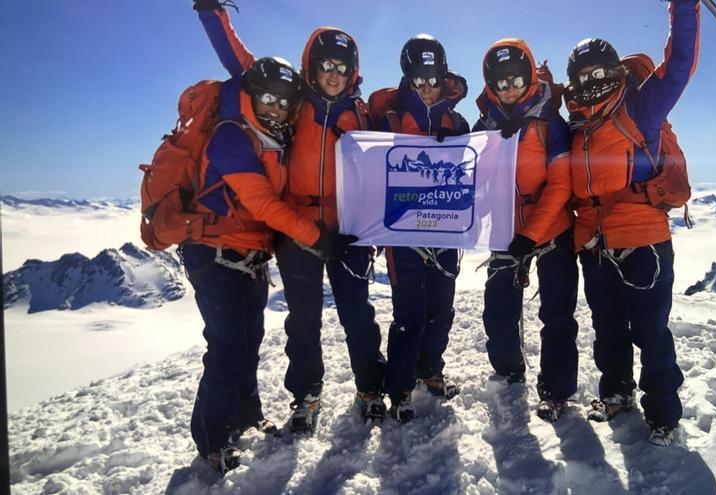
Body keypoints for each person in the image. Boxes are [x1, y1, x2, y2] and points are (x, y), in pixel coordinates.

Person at [193, 1, 387, 430]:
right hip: (297, 229)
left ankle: (371, 388)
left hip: (349, 230)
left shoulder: (362, 114)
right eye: (325, 65)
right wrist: (212, 14)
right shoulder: (293, 103)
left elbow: (395, 160)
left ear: (353, 71)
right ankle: (306, 396)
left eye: (342, 66)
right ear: (311, 68)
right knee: (304, 319)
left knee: (357, 313)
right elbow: (244, 67)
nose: (333, 74)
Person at [565, 0, 700, 446]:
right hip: (596, 244)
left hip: (644, 242)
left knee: (650, 330)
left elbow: (679, 64)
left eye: (601, 73)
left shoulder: (642, 109)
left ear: (616, 74)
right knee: (607, 327)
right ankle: (617, 393)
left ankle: (663, 414)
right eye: (583, 77)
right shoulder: (576, 127)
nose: (593, 83)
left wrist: (682, 8)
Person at [180, 56, 318, 472]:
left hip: (249, 257)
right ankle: (211, 439)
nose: (275, 108)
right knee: (226, 348)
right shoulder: (231, 136)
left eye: (283, 102)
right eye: (267, 99)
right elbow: (261, 202)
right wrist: (315, 237)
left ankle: (245, 415)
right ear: (251, 97)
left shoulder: (270, 136)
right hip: (215, 254)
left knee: (247, 342)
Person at [473, 39, 578, 422]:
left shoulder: (551, 121)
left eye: (517, 79)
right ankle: (508, 372)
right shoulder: (484, 126)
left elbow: (561, 184)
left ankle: (556, 390)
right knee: (499, 311)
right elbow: (470, 177)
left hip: (551, 230)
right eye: (501, 83)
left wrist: (531, 235)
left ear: (530, 76)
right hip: (505, 230)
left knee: (557, 314)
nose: (510, 88)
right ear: (491, 85)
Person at [369, 35, 470, 422]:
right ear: (407, 79)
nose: (427, 87)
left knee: (441, 310)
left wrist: (460, 143)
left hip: (445, 230)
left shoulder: (455, 121)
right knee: (410, 312)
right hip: (402, 234)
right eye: (419, 79)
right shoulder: (388, 119)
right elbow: (366, 168)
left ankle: (430, 370)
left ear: (443, 78)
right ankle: (399, 388)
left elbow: (476, 167)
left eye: (433, 79)